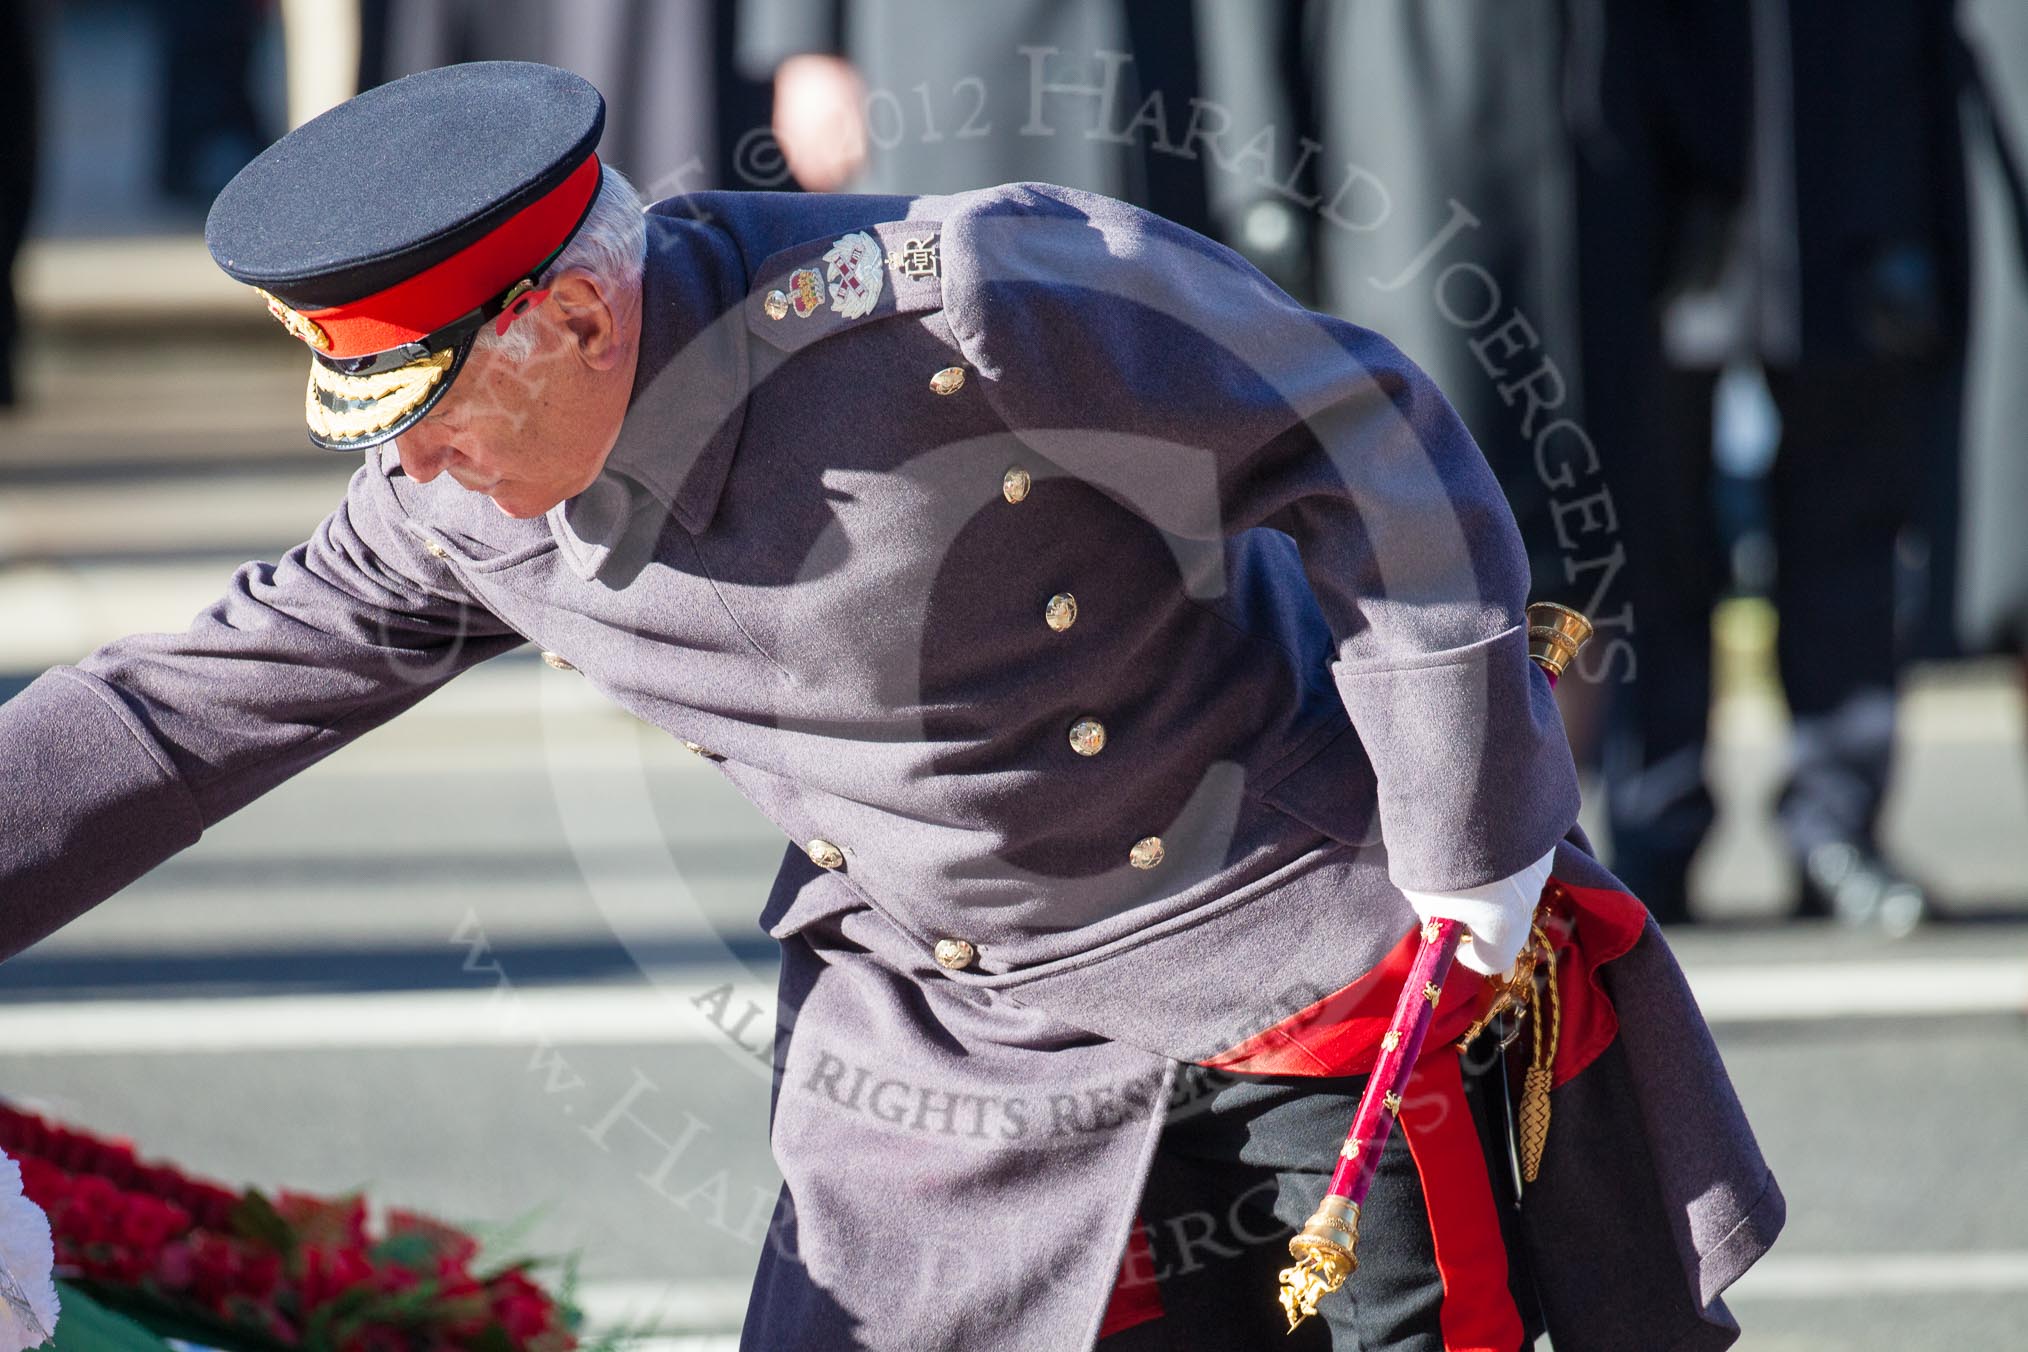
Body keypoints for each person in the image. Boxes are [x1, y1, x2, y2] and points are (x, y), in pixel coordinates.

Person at [0, 63, 1780, 1350]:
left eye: (431, 407)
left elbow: (1365, 437)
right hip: (949, 1037)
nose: (417, 465)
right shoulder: (450, 518)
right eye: (374, 426)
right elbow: (166, 720)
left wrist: (1471, 828)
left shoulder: (959, 301)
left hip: (1281, 939)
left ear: (573, 314)